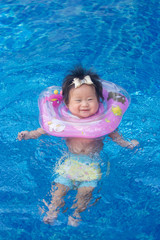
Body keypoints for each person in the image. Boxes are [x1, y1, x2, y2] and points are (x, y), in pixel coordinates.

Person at [18, 66, 139, 227]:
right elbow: (42, 131)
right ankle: (53, 209)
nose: (85, 104)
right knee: (59, 189)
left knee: (85, 193)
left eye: (90, 99)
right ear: (67, 103)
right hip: (70, 163)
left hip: (92, 165)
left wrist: (129, 145)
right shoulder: (63, 121)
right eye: (78, 100)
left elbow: (117, 138)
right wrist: (27, 134)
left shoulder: (104, 123)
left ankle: (76, 213)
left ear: (99, 100)